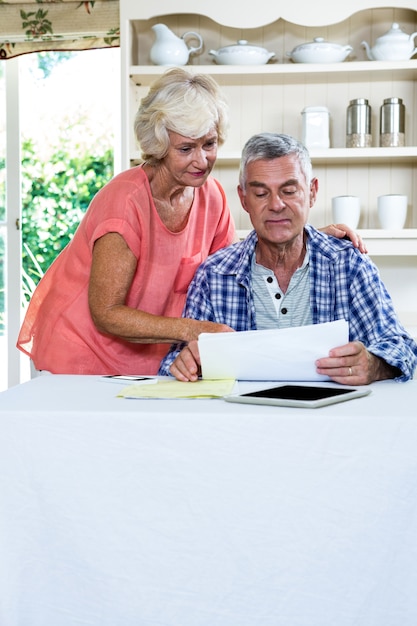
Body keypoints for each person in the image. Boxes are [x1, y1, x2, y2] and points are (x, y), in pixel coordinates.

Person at [17, 70, 365, 376]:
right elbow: (106, 313)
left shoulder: (211, 195)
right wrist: (194, 330)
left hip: (147, 361)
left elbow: (233, 263)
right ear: (159, 145)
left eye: (209, 144)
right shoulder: (124, 203)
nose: (202, 160)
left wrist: (302, 235)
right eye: (186, 149)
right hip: (81, 356)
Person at [159, 132, 417, 384]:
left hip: (332, 422)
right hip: (240, 422)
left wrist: (373, 365)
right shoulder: (213, 275)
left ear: (312, 192)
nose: (276, 205)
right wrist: (184, 365)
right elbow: (173, 362)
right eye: (261, 194)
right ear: (244, 199)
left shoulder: (349, 265)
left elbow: (402, 348)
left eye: (290, 191)